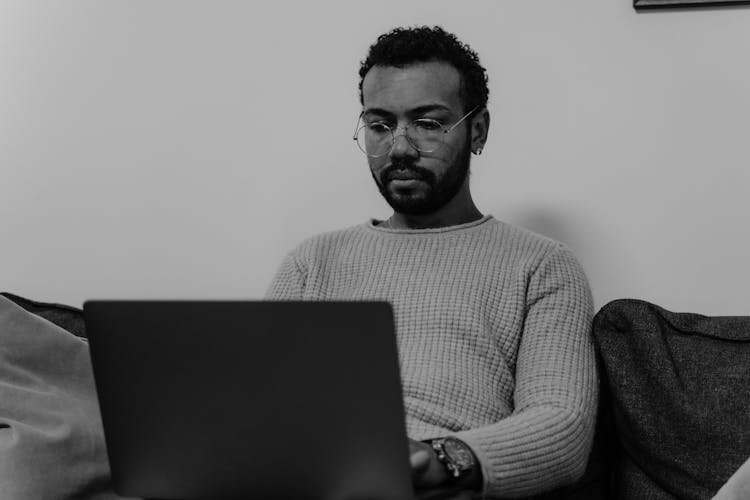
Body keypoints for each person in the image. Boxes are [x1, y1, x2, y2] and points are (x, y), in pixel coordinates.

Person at [266, 25, 597, 499]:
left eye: (427, 123)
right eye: (380, 125)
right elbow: (259, 405)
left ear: (477, 130)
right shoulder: (311, 263)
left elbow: (562, 427)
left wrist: (436, 458)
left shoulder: (543, 266)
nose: (399, 148)